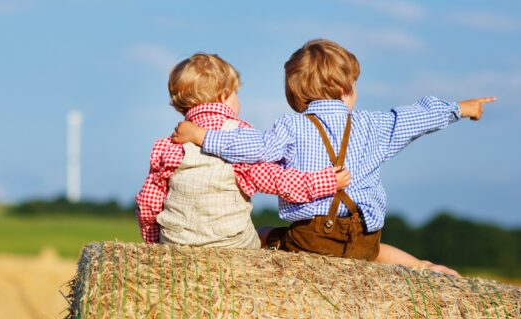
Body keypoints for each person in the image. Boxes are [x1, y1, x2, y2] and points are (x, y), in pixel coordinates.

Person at [172, 39, 495, 276]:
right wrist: (460, 108)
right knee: (374, 253)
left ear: (295, 96)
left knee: (265, 234)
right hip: (365, 239)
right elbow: (417, 118)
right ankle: (423, 266)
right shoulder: (374, 125)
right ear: (346, 89)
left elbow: (254, 149)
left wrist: (202, 136)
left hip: (312, 239)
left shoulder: (292, 126)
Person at [136, 52, 350, 249]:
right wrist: (326, 182)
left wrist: (154, 244)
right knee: (263, 239)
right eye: (236, 93)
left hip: (176, 243)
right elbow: (276, 180)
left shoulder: (169, 145)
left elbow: (149, 201)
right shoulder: (240, 137)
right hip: (231, 244)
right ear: (224, 96)